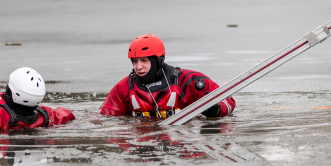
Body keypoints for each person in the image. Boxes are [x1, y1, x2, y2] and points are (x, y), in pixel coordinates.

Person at [100, 34, 235, 119]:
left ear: (158, 61)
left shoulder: (188, 80)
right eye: (135, 61)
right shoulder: (123, 88)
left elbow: (229, 102)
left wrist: (217, 110)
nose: (138, 67)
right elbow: (104, 117)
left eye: (144, 61)